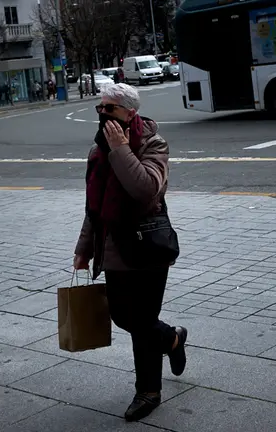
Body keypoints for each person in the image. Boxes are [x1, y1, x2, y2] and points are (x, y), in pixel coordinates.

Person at [73, 83, 187, 422]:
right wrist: (83, 249)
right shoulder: (98, 150)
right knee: (123, 316)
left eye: (110, 109)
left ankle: (148, 391)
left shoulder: (153, 143)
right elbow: (93, 207)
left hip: (148, 246)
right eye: (100, 108)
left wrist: (121, 149)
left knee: (141, 322)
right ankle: (171, 338)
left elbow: (145, 190)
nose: (103, 114)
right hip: (113, 248)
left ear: (130, 113)